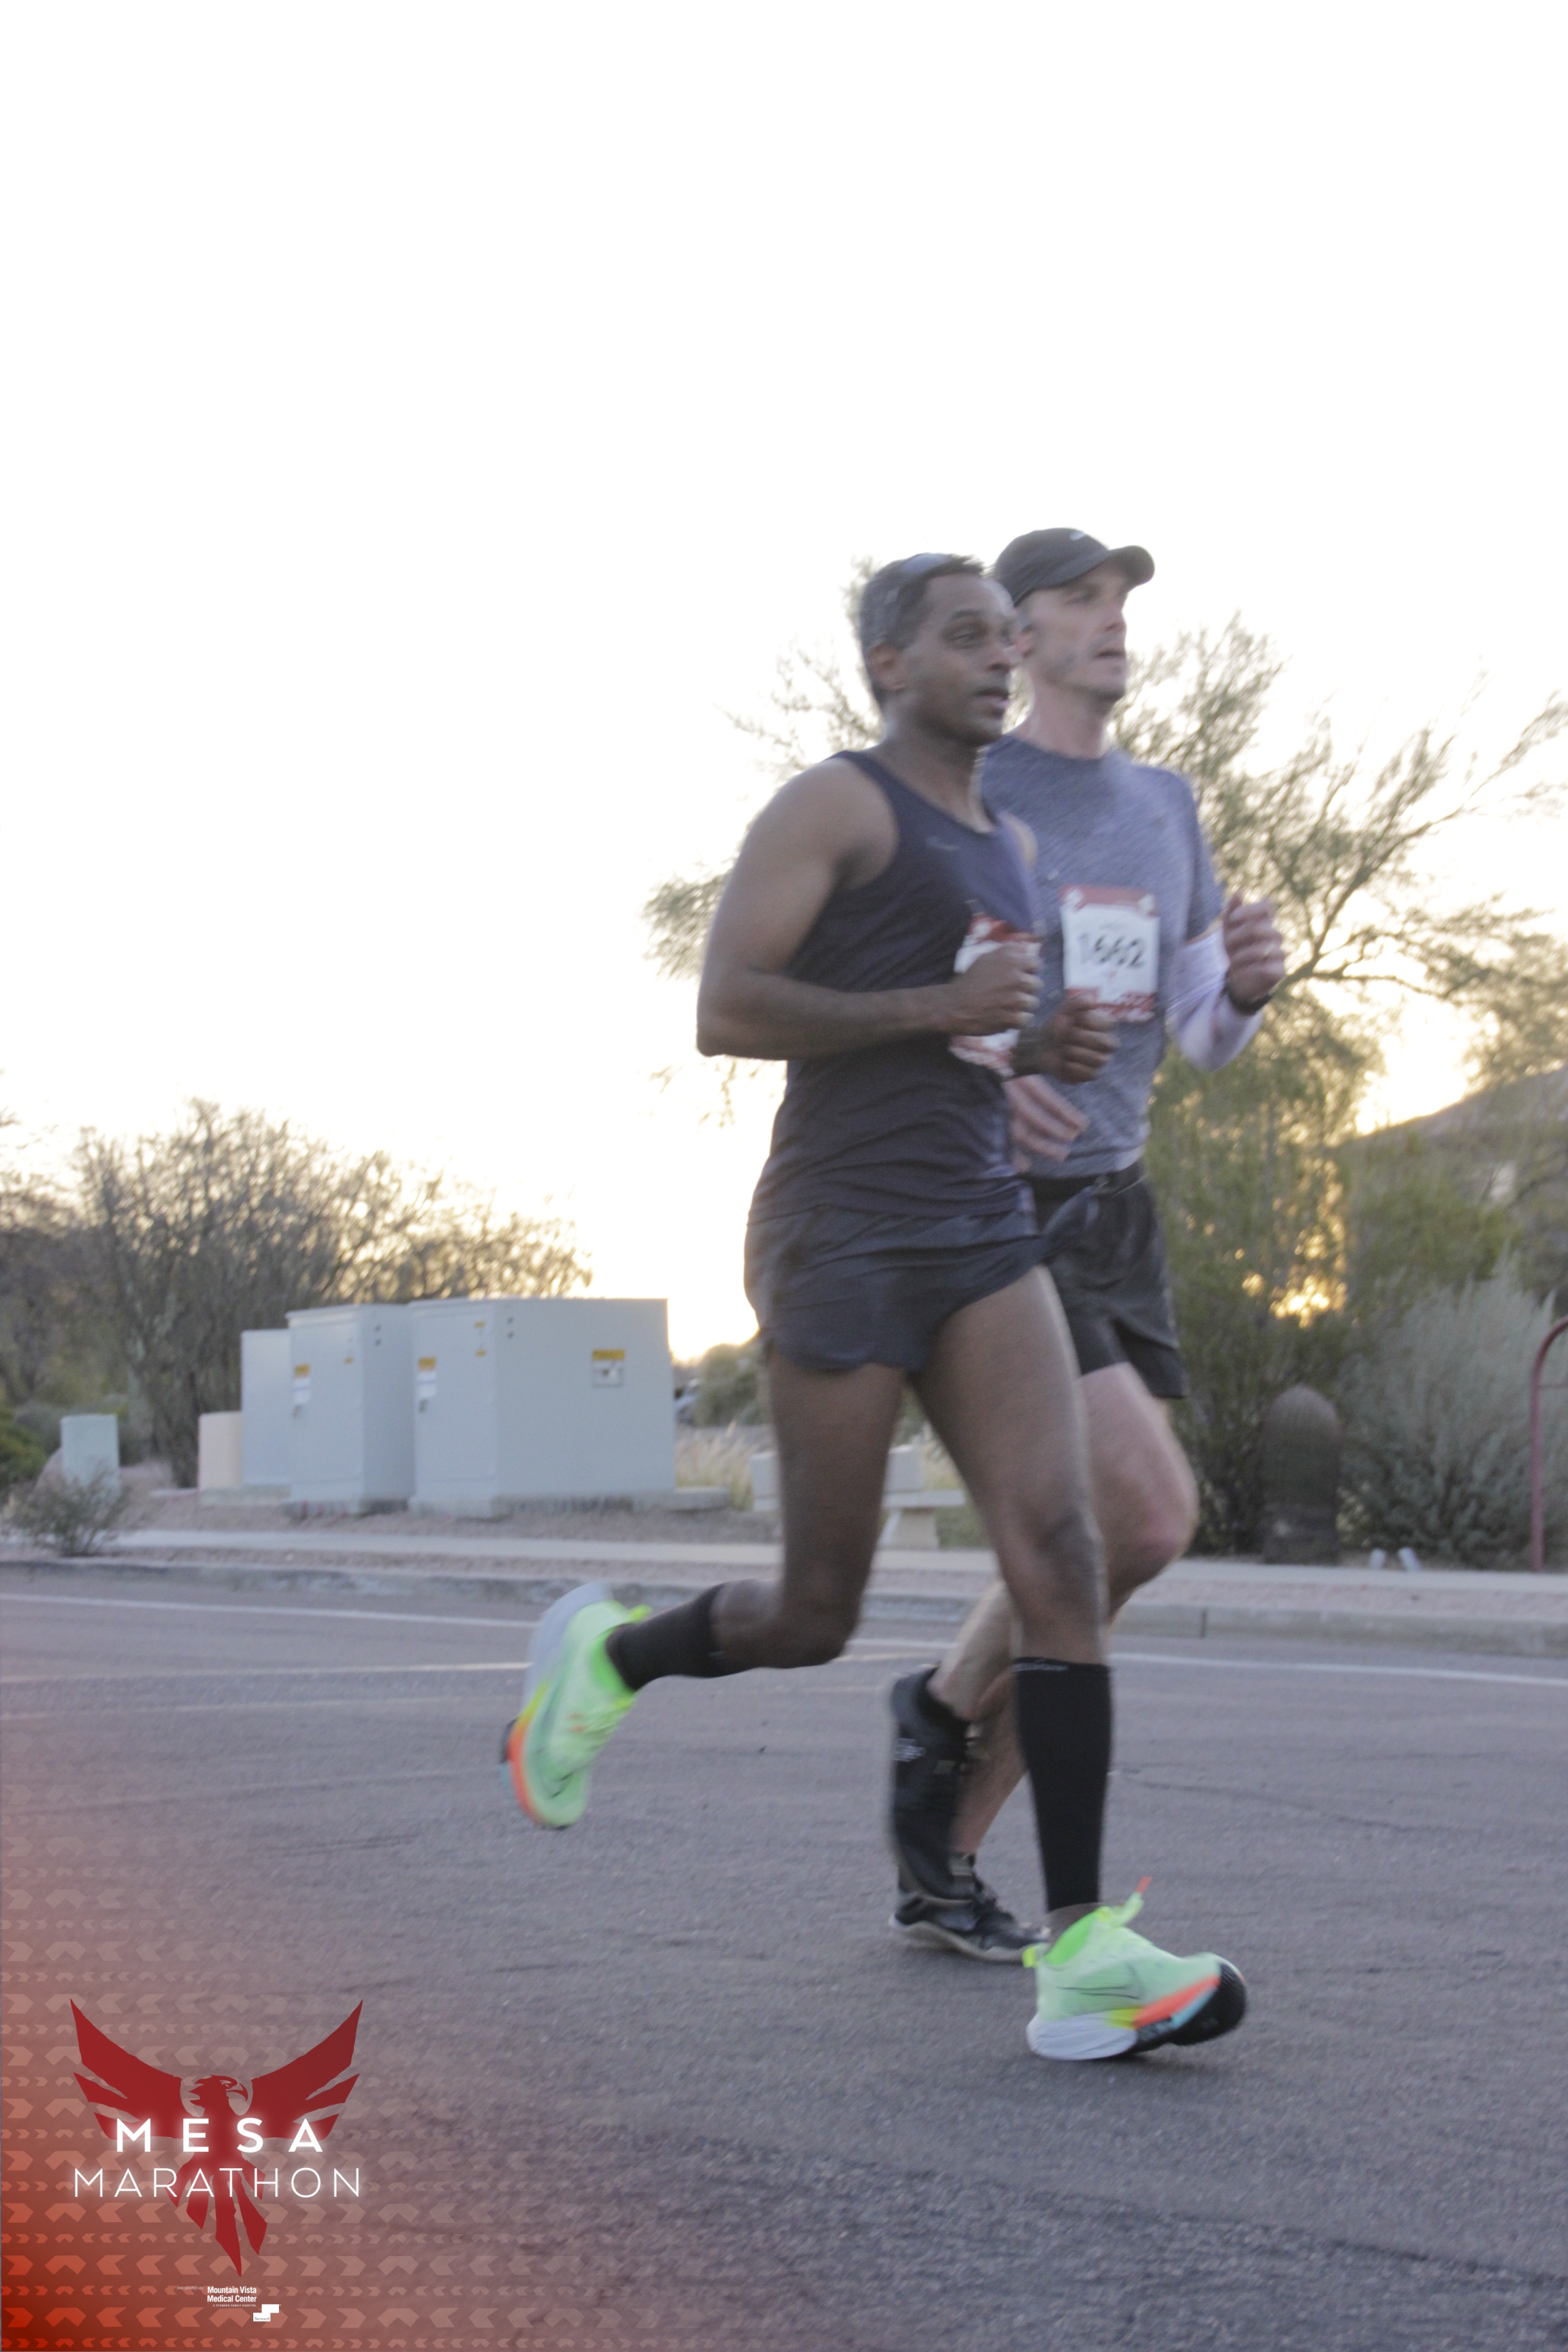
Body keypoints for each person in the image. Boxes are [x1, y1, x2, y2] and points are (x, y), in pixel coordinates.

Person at [502, 551, 1245, 2061]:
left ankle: (1084, 1954)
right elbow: (727, 1006)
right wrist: (941, 1011)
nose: (998, 656)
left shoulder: (1006, 843)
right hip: (840, 1233)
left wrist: (1035, 1046)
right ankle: (608, 1657)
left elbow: (973, 1037)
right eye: (966, 636)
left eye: (1003, 637)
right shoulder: (834, 807)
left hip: (982, 1231)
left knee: (1064, 1550)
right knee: (814, 1612)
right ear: (890, 665)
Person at [886, 528, 1284, 1957]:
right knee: (1146, 1514)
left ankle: (944, 1797)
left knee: (1124, 1541)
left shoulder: (1165, 805)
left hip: (1118, 1205)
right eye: (1079, 600)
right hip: (998, 1206)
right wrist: (994, 1080)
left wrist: (1245, 990)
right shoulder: (971, 791)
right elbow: (910, 995)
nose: (1111, 620)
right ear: (1016, 636)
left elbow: (1197, 1031)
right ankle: (954, 1763)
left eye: (1121, 599)